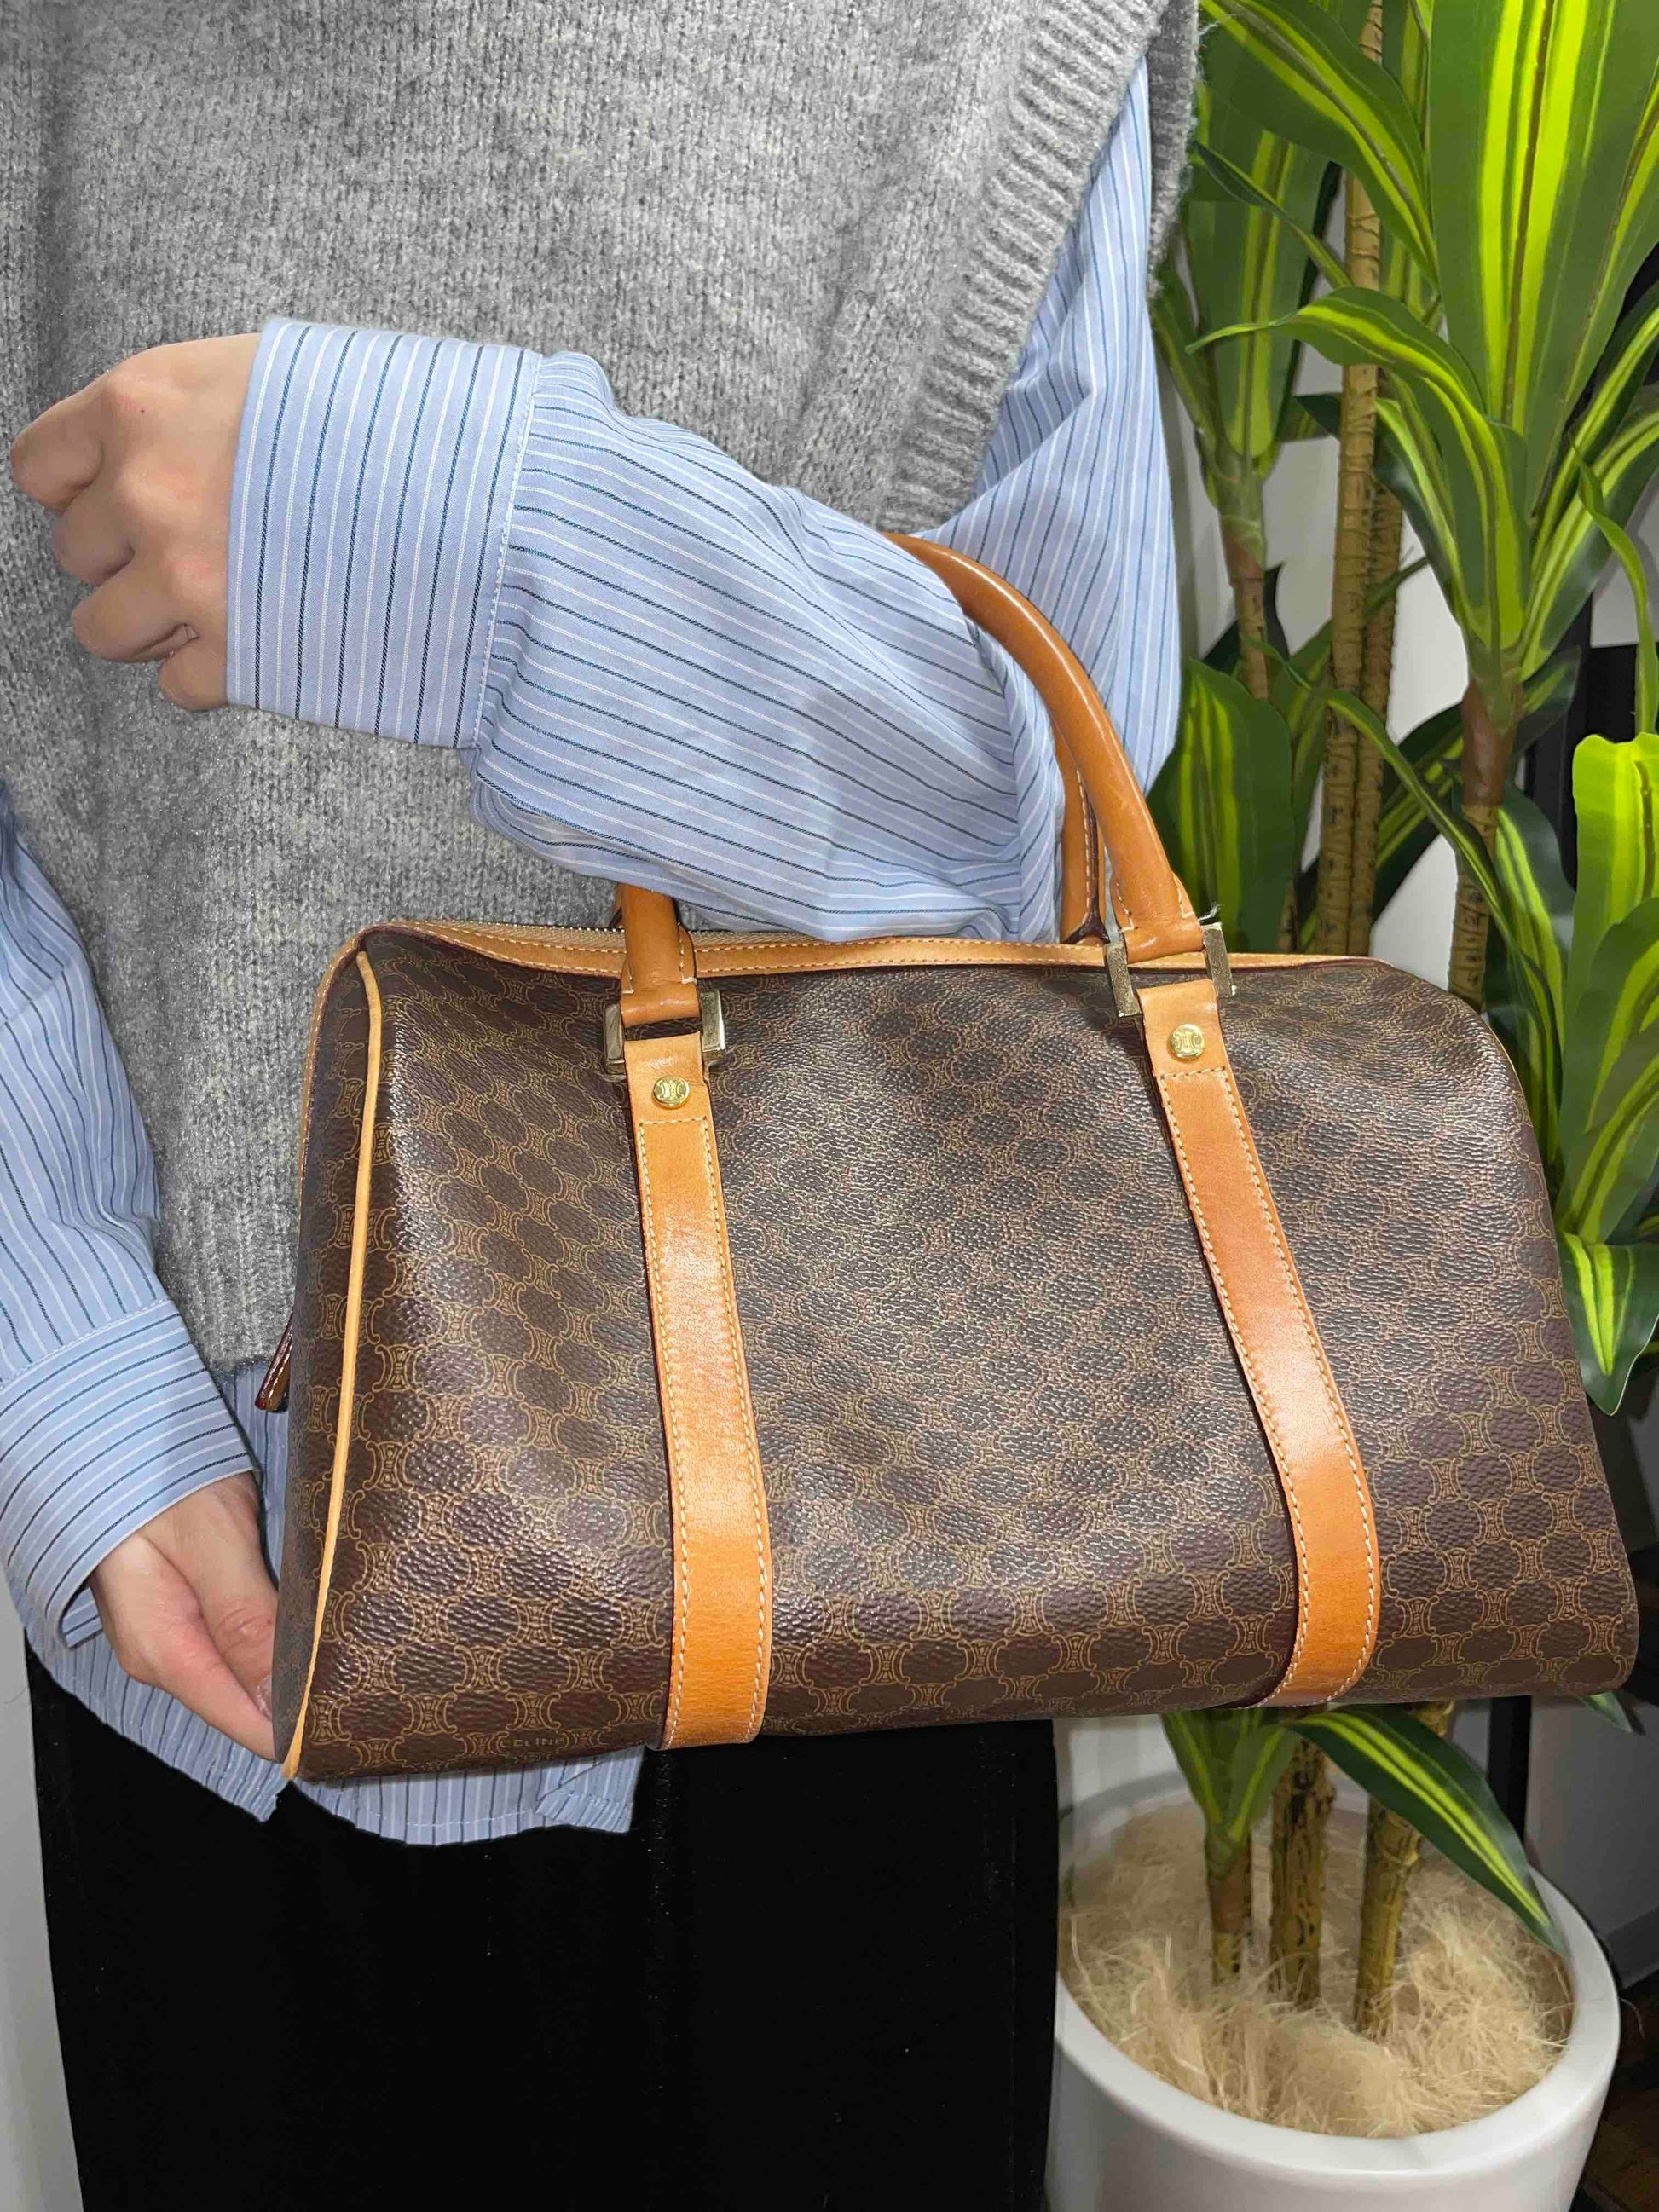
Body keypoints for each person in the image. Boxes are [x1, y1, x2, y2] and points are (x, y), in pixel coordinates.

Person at [0, 5, 1195, 2205]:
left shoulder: (987, 45)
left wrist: (466, 532)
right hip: (206, 1560)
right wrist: (62, 1356)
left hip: (857, 1591)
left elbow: (1048, 813)